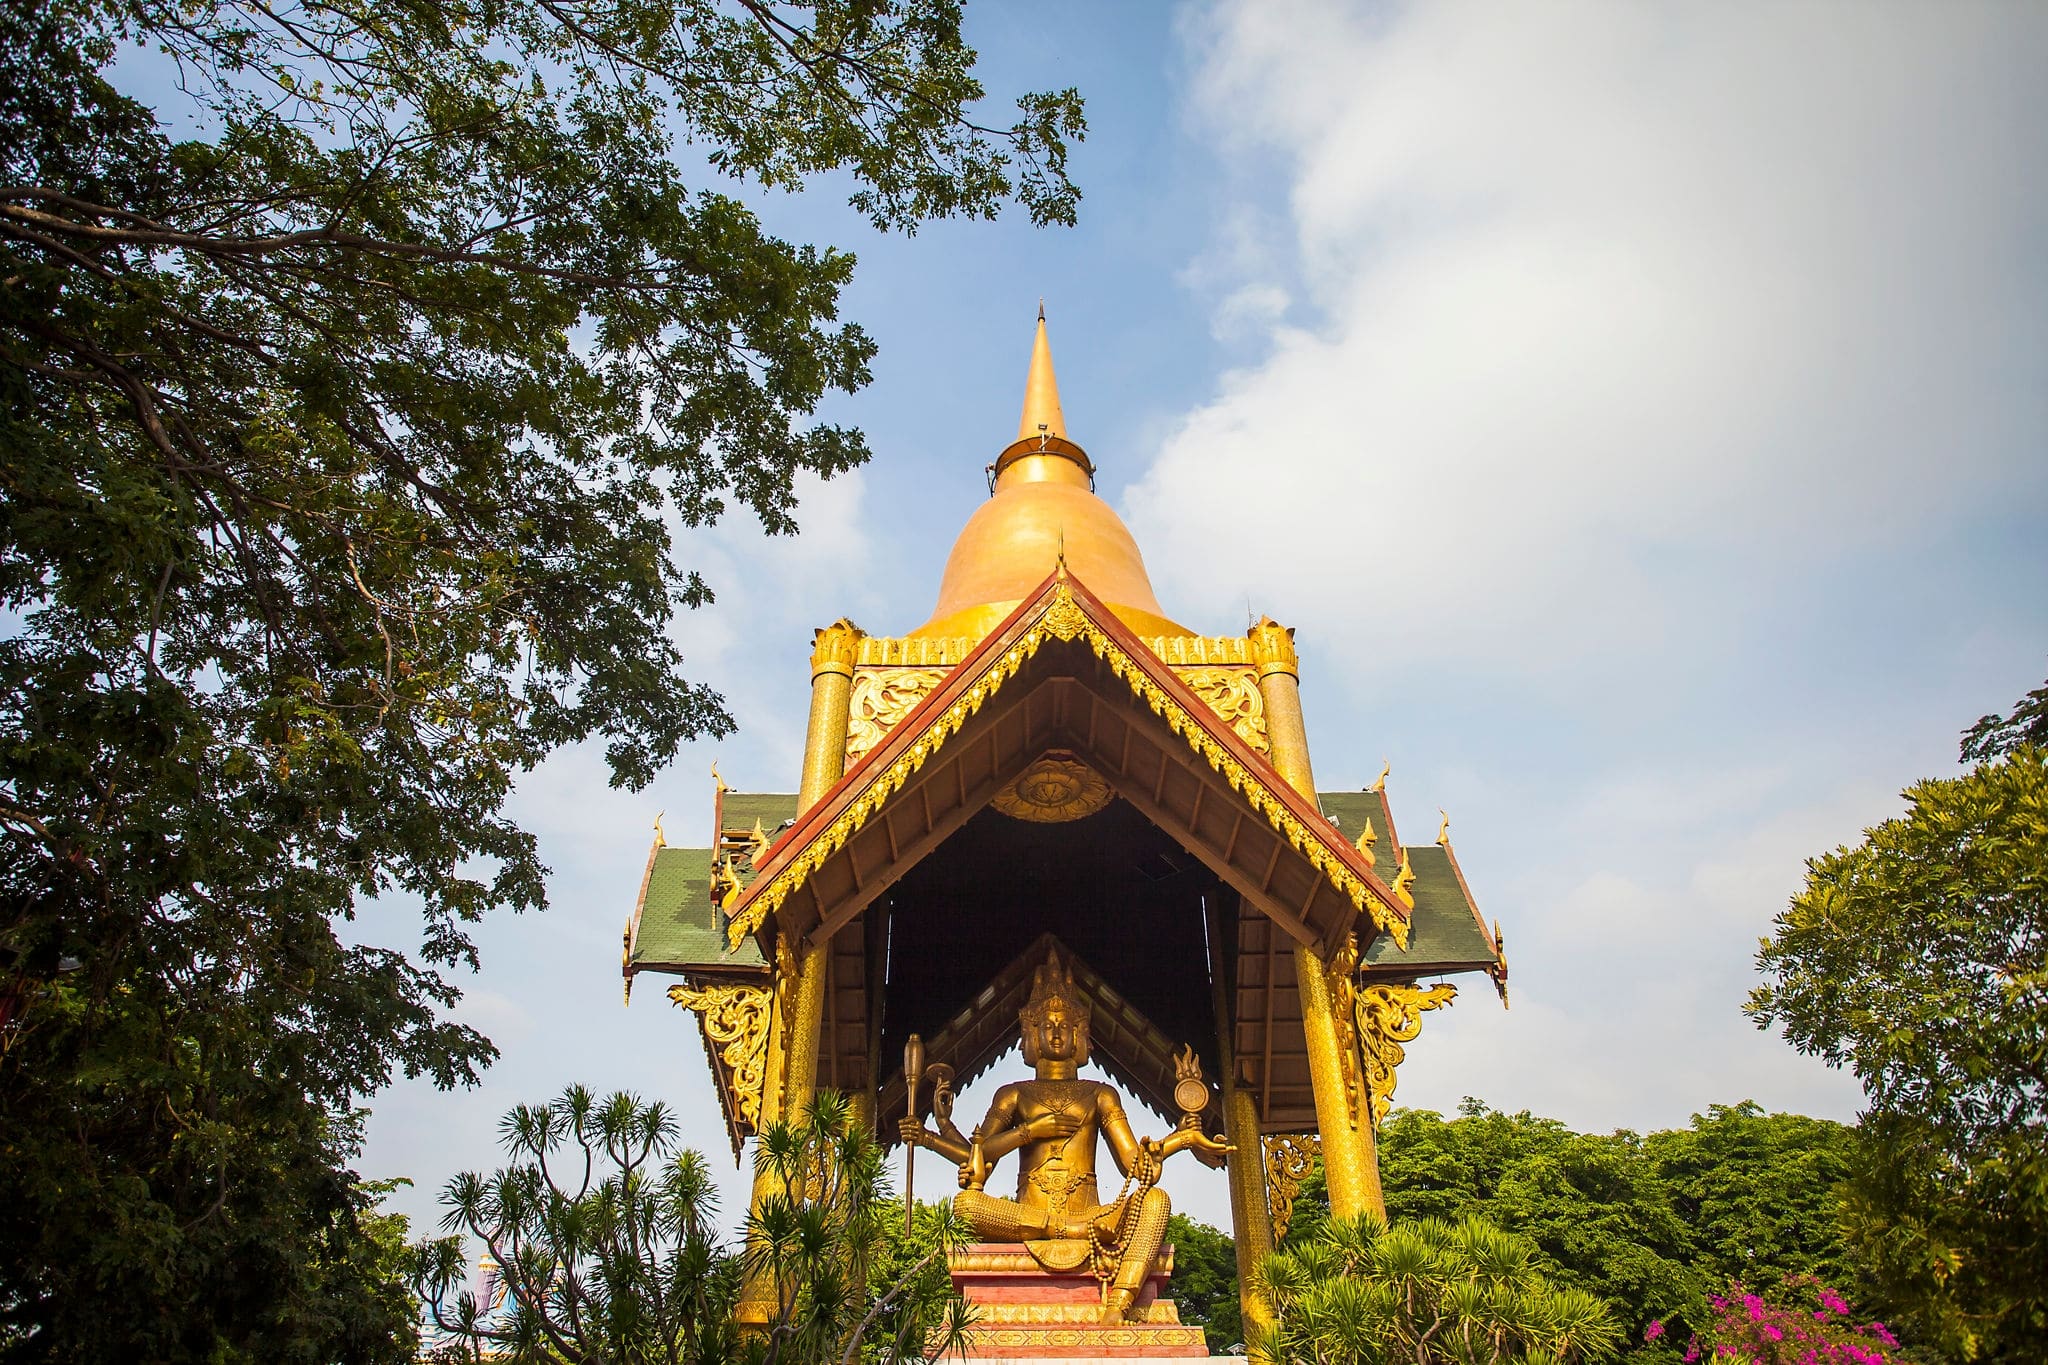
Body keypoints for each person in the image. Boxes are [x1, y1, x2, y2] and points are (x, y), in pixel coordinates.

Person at [899, 949, 1227, 1323]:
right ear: (1032, 1032)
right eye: (1047, 1025)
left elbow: (1134, 1165)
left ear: (1080, 1033)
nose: (1056, 1032)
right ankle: (1066, 1230)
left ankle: (1120, 1303)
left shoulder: (1100, 1093)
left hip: (1094, 1214)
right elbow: (978, 1160)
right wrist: (942, 1132)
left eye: (1064, 1025)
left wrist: (1180, 1139)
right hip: (1030, 1217)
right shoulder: (1013, 1093)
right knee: (965, 1205)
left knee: (1155, 1201)